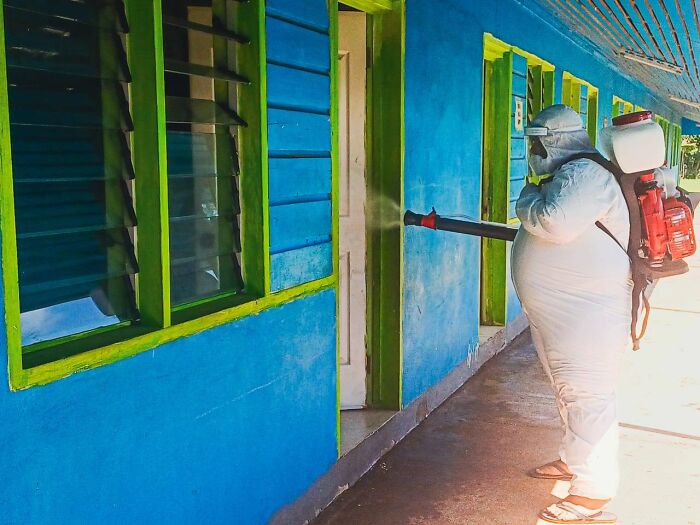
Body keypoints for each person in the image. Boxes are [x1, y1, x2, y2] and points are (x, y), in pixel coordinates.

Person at [512, 104, 631, 524]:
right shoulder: (567, 176)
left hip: (588, 314)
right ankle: (574, 460)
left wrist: (525, 199)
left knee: (587, 394)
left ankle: (592, 494)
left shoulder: (586, 175)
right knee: (569, 391)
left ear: (554, 140)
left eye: (537, 142)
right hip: (565, 313)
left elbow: (554, 221)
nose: (533, 150)